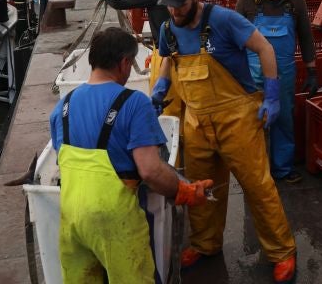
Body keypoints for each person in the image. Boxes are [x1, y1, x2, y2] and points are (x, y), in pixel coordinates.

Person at [152, 0, 298, 283]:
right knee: (202, 188)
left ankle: (282, 251)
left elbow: (265, 48)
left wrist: (272, 96)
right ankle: (205, 244)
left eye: (180, 4)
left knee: (258, 187)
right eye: (170, 6)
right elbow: (167, 59)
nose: (175, 11)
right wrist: (160, 89)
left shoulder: (223, 20)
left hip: (238, 120)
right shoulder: (168, 28)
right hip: (197, 122)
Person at [48, 27, 213, 283]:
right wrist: (184, 191)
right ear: (124, 63)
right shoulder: (135, 102)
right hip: (114, 221)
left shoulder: (63, 106)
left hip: (71, 217)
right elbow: (151, 171)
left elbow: (65, 160)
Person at [235, 0, 318, 184]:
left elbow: (306, 38)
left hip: (284, 75)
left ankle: (282, 169)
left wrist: (312, 71)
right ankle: (256, 171)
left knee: (283, 120)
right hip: (252, 75)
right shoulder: (246, 2)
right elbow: (233, 39)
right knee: (253, 123)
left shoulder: (295, 2)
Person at [97, 0, 189, 117]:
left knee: (167, 113)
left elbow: (120, 2)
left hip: (166, 60)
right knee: (187, 109)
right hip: (189, 57)